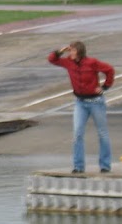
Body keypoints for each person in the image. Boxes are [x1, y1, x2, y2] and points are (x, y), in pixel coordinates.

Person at [47, 41, 115, 174]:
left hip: (96, 102)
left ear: (79, 52)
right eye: (70, 50)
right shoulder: (68, 62)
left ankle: (105, 165)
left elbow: (109, 70)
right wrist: (60, 51)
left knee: (102, 133)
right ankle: (78, 166)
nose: (70, 53)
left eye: (72, 50)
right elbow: (52, 59)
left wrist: (105, 87)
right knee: (77, 133)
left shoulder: (92, 62)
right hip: (80, 102)